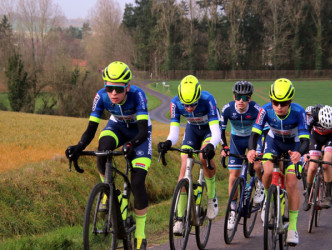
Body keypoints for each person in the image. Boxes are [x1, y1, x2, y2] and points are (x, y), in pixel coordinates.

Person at [65, 61, 151, 250]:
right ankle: (108, 192)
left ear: (127, 87)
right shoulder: (101, 96)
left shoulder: (138, 95)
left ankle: (140, 234)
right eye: (109, 88)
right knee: (102, 149)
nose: (113, 93)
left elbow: (144, 132)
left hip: (138, 134)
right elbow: (91, 129)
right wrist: (79, 146)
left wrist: (132, 145)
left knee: (137, 182)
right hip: (117, 127)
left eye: (118, 89)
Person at [247, 78, 310, 246]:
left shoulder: (299, 112)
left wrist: (299, 153)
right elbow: (254, 133)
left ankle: (293, 228)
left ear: (290, 101)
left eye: (283, 103)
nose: (279, 107)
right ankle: (268, 200)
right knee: (267, 171)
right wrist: (252, 150)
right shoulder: (265, 110)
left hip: (294, 146)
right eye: (275, 102)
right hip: (274, 143)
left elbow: (305, 140)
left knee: (290, 183)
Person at [157, 75, 221, 234]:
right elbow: (174, 133)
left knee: (203, 156)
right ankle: (179, 219)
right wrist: (167, 143)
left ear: (198, 97)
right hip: (192, 131)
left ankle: (212, 197)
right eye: (186, 105)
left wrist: (212, 145)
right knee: (184, 167)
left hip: (209, 131)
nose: (189, 109)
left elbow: (215, 131)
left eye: (192, 104)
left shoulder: (208, 100)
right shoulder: (175, 103)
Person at [220, 81, 265, 230]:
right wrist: (224, 147)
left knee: (257, 164)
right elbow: (221, 130)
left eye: (245, 98)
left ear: (249, 99)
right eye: (238, 97)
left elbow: (264, 131)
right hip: (236, 140)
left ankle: (260, 184)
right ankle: (233, 210)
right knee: (233, 175)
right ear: (234, 96)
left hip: (253, 139)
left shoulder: (257, 109)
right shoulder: (227, 109)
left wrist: (261, 149)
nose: (241, 101)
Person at [303, 105, 332, 212]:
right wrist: (306, 153)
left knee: (326, 164)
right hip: (315, 138)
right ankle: (308, 194)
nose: (325, 128)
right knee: (312, 167)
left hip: (330, 139)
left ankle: (328, 196)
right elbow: (305, 135)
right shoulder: (313, 117)